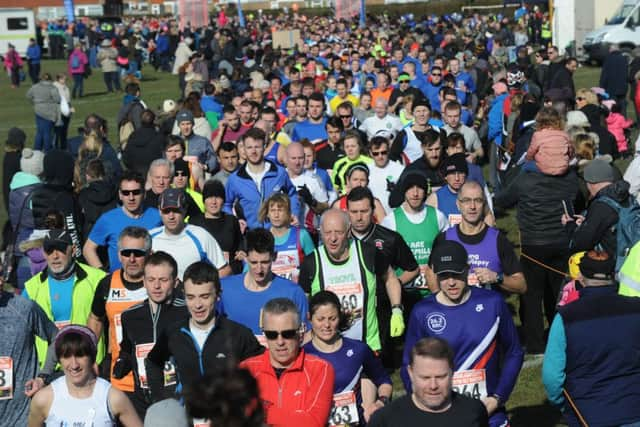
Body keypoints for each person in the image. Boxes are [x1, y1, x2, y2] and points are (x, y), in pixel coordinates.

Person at [402, 241, 523, 427]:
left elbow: (514, 351)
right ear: (435, 275)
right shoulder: (422, 312)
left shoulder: (493, 303)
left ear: (467, 270)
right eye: (444, 276)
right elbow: (408, 365)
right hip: (441, 415)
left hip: (489, 413)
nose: (451, 282)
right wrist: (424, 404)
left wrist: (497, 398)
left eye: (456, 274)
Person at [543, 250, 640, 427]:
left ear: (580, 277)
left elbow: (552, 376)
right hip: (633, 408)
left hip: (586, 412)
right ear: (613, 274)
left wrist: (562, 403)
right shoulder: (636, 309)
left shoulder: (566, 317)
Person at [494, 152, 579, 355]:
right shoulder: (569, 177)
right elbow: (579, 197)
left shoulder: (525, 178)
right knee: (557, 293)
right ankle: (560, 337)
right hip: (560, 242)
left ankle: (534, 343)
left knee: (531, 295)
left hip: (534, 244)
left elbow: (503, 200)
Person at [145, 262, 263, 402]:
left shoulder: (238, 334)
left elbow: (262, 369)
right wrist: (161, 401)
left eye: (204, 296)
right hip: (188, 417)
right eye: (191, 297)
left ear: (218, 295)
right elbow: (153, 363)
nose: (197, 305)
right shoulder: (174, 333)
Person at [300, 209, 404, 353]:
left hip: (367, 345)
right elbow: (303, 301)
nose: (333, 238)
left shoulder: (368, 253)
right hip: (326, 348)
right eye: (328, 233)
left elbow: (390, 278)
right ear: (320, 232)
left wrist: (397, 310)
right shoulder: (311, 262)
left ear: (349, 231)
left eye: (338, 232)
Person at [113, 251, 190, 416]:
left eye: (163, 280)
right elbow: (127, 349)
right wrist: (122, 362)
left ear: (175, 282)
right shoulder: (130, 316)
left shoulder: (187, 313)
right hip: (143, 402)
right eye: (151, 280)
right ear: (143, 281)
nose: (156, 286)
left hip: (181, 402)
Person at [239, 297, 335, 427]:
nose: (280, 342)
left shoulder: (320, 369)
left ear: (300, 331)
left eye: (287, 334)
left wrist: (261, 410)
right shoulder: (246, 369)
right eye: (272, 335)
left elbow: (313, 422)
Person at [27, 325, 142, 427]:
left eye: (80, 355)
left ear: (92, 357)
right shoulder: (43, 399)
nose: (74, 365)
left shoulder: (113, 397)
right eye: (66, 356)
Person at [86, 227, 150, 408]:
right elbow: (96, 320)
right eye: (126, 253)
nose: (131, 259)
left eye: (137, 253)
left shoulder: (158, 283)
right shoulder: (107, 284)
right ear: (119, 254)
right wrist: (89, 358)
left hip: (156, 377)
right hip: (120, 378)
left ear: (149, 254)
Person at [24, 229, 107, 366]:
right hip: (48, 369)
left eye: (61, 249)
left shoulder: (98, 279)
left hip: (89, 366)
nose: (55, 256)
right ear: (44, 253)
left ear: (73, 250)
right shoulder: (32, 287)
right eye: (50, 250)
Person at [369, 337, 489, 427]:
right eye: (425, 378)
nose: (433, 386)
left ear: (452, 371)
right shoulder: (385, 420)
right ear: (410, 373)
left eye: (441, 377)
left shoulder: (474, 411)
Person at [220, 228, 310, 344]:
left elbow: (306, 336)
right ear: (245, 258)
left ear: (274, 256)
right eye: (253, 262)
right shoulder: (225, 289)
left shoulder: (293, 292)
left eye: (265, 262)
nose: (259, 269)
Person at [436, 181, 526, 294]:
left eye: (478, 200)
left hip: (488, 309)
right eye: (466, 200)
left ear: (484, 205)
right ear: (458, 204)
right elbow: (431, 275)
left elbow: (521, 285)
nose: (472, 206)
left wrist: (497, 277)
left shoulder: (498, 239)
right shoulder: (444, 239)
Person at [0, 275, 58, 426]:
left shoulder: (23, 308)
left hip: (22, 418)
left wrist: (43, 376)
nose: (0, 281)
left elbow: (57, 337)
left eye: (0, 274)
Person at [382, 172, 448, 298]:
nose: (415, 193)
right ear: (404, 191)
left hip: (433, 291)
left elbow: (448, 248)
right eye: (410, 188)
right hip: (405, 292)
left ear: (425, 191)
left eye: (420, 188)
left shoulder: (438, 216)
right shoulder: (391, 220)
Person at [224, 128, 301, 230]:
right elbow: (226, 204)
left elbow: (292, 194)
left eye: (257, 147)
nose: (253, 151)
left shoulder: (279, 173)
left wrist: (294, 213)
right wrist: (234, 221)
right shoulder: (235, 179)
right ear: (244, 149)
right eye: (249, 147)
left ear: (264, 147)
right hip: (251, 234)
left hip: (277, 232)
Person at [84, 171, 162, 272]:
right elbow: (88, 249)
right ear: (120, 195)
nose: (131, 198)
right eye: (126, 193)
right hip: (118, 282)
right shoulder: (108, 219)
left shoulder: (158, 216)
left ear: (144, 194)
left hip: (150, 280)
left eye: (136, 192)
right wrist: (103, 275)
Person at [564, 159, 632, 269]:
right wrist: (588, 221)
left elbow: (581, 243)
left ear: (591, 182)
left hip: (617, 267)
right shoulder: (625, 196)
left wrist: (570, 225)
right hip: (631, 259)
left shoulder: (602, 206)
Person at [150, 188, 231, 280]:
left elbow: (224, 270)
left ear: (185, 210)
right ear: (160, 211)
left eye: (176, 211)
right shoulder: (149, 238)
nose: (171, 216)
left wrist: (203, 290)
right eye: (166, 211)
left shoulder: (201, 236)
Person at [257, 194, 315, 282]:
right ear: (267, 214)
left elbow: (315, 265)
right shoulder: (261, 238)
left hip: (296, 289)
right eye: (272, 210)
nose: (276, 215)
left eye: (280, 210)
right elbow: (249, 269)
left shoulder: (301, 235)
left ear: (288, 212)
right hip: (270, 290)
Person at [189, 179, 243, 273]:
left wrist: (242, 252)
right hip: (202, 275)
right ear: (204, 200)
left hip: (228, 274)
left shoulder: (231, 220)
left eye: (218, 197)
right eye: (209, 197)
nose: (214, 202)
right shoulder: (194, 222)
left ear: (223, 200)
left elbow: (240, 245)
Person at [368, 136, 405, 215]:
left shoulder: (400, 170)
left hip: (396, 215)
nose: (380, 156)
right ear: (371, 153)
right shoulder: (366, 170)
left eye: (383, 152)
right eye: (376, 153)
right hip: (374, 217)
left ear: (388, 151)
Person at [26, 73, 61, 153]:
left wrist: (34, 103)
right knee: (47, 132)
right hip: (49, 112)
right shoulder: (52, 87)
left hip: (38, 110)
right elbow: (57, 99)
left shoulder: (35, 86)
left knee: (39, 131)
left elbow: (28, 95)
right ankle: (47, 150)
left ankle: (37, 149)